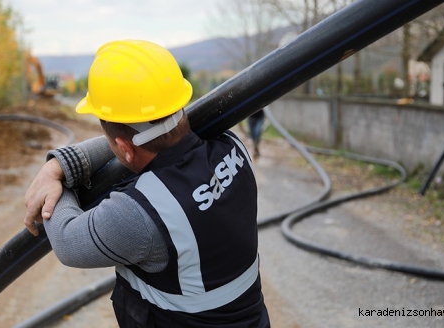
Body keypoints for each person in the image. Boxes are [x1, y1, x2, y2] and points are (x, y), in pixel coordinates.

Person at [24, 40, 270, 327]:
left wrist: (55, 181)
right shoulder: (231, 144)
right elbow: (144, 136)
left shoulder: (141, 212)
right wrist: (62, 163)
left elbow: (67, 242)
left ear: (126, 150)